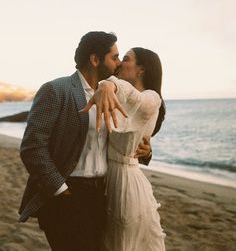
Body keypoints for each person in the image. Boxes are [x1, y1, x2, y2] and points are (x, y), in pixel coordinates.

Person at [18, 31, 152, 251]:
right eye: (114, 57)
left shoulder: (114, 94)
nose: (118, 63)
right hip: (66, 195)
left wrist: (145, 152)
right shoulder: (56, 90)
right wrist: (61, 191)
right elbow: (32, 147)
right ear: (95, 59)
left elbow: (124, 140)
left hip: (103, 197)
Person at [82, 47, 166, 251]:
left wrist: (109, 83)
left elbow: (136, 98)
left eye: (126, 59)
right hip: (109, 181)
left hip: (127, 186)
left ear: (141, 70)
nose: (120, 63)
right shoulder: (121, 101)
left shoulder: (151, 97)